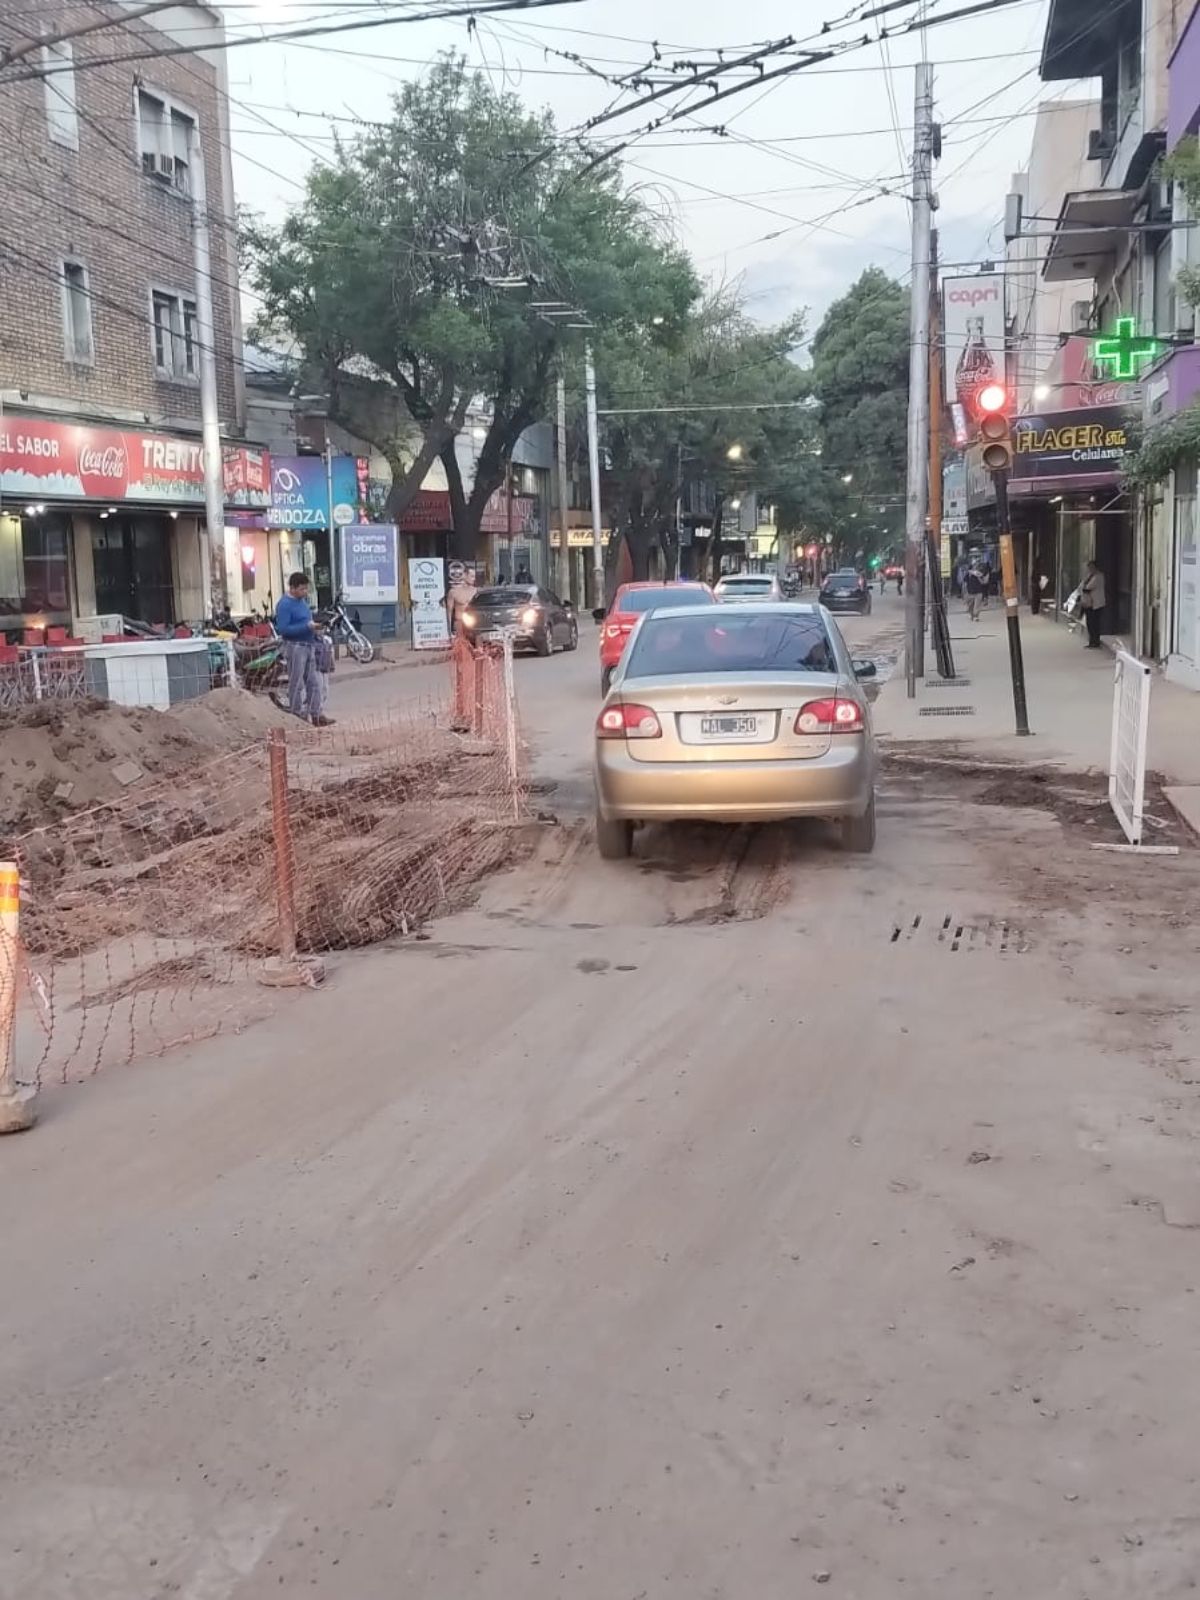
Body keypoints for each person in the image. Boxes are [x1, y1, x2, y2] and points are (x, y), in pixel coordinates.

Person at [275, 571, 333, 726]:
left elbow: (308, 620)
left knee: (314, 682)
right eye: (302, 589)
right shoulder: (284, 605)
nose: (305, 592)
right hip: (295, 646)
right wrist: (306, 626)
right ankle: (296, 715)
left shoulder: (303, 602)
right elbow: (283, 629)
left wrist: (316, 627)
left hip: (309, 644)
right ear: (292, 588)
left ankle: (316, 714)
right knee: (297, 681)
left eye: (306, 589)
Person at [1080, 559, 1106, 648]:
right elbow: (1082, 586)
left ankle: (1095, 641)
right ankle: (1092, 641)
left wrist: (1084, 587)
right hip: (1089, 603)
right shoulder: (1090, 576)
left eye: (1091, 567)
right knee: (1090, 623)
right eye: (1089, 568)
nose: (1090, 569)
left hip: (1096, 604)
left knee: (1094, 623)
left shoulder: (1098, 576)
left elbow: (1087, 587)